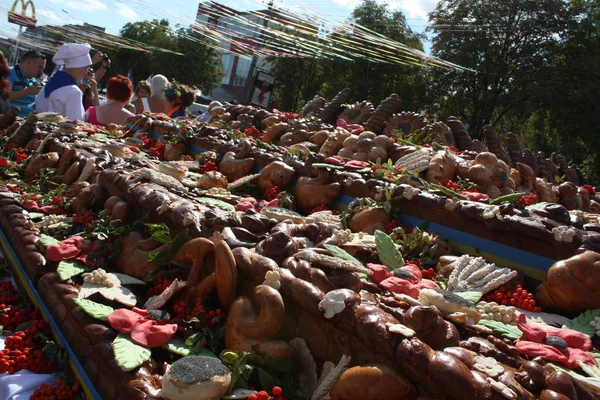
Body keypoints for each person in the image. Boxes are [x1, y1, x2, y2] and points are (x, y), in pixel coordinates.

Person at [35, 43, 93, 121]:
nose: (86, 72)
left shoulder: (47, 85)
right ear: (80, 67)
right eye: (87, 67)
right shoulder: (74, 91)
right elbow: (76, 123)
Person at [7, 50, 46, 117]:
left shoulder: (34, 80)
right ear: (29, 62)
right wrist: (26, 92)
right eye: (40, 67)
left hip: (28, 120)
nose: (41, 71)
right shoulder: (9, 73)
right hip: (9, 118)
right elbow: (3, 98)